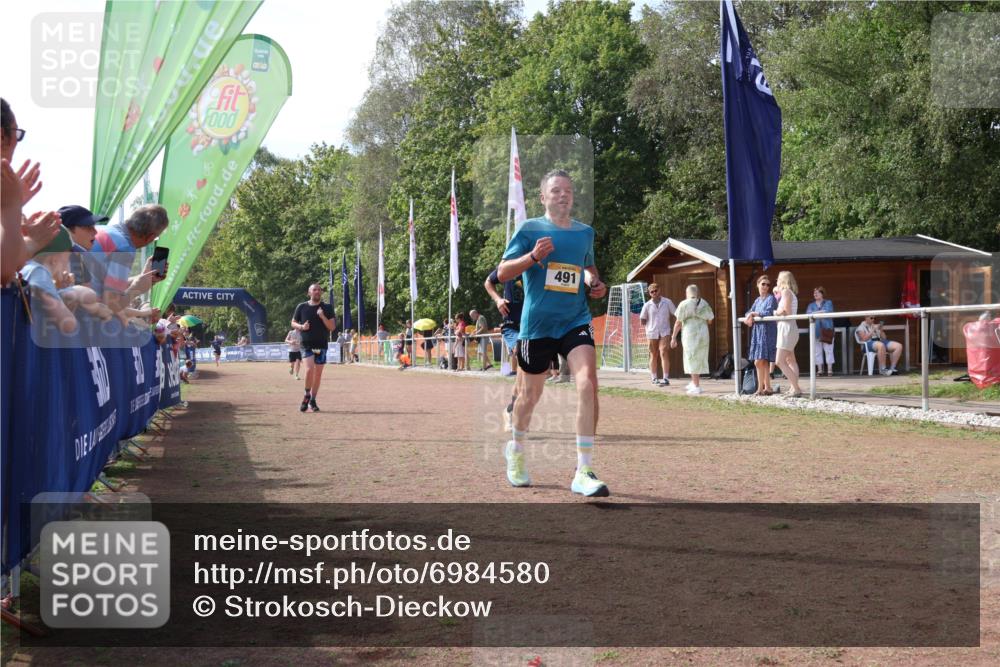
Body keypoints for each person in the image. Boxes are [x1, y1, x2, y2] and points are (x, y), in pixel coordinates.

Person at [497, 169, 608, 497]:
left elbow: (587, 268)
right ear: (543, 197)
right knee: (530, 396)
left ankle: (583, 470)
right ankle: (516, 449)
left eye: (569, 191)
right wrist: (532, 257)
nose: (563, 195)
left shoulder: (585, 233)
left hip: (575, 319)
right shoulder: (530, 229)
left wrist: (594, 283)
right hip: (537, 326)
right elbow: (503, 271)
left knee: (588, 383)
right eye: (556, 191)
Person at [89, 204, 170, 320]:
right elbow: (110, 307)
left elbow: (105, 284)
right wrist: (137, 289)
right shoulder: (124, 247)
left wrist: (142, 277)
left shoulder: (103, 230)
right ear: (150, 237)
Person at [485, 267, 525, 427]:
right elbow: (488, 282)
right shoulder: (509, 264)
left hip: (532, 322)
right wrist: (498, 300)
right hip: (512, 325)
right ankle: (515, 410)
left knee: (528, 373)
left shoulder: (539, 264)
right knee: (521, 351)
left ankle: (512, 409)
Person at [291, 283, 336, 412]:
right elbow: (293, 322)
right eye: (314, 290)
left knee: (318, 374)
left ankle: (313, 400)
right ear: (309, 293)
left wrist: (322, 316)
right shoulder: (302, 307)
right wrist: (301, 327)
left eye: (319, 290)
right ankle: (306, 395)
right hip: (307, 345)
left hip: (321, 345)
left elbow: (332, 327)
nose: (317, 291)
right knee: (309, 370)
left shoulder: (327, 307)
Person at [671, 284, 714, 395]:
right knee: (699, 357)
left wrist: (673, 337)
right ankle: (694, 382)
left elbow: (678, 322)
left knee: (691, 357)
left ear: (687, 293)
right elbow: (710, 321)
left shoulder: (684, 304)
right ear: (697, 292)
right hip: (703, 333)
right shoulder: (704, 303)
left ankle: (696, 385)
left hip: (690, 333)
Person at [744, 274, 778, 396]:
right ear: (758, 285)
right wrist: (750, 315)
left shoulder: (771, 298)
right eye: (763, 284)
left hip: (767, 331)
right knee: (761, 361)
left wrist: (754, 313)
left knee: (759, 361)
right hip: (757, 332)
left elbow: (768, 312)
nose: (765, 286)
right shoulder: (757, 300)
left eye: (768, 284)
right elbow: (749, 311)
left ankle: (760, 388)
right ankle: (767, 387)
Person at [639, 282, 676, 386]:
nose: (654, 293)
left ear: (659, 290)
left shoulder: (667, 302)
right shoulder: (647, 305)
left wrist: (679, 324)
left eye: (656, 290)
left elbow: (676, 313)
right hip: (651, 332)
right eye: (652, 292)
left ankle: (666, 378)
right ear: (649, 293)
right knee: (653, 354)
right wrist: (643, 320)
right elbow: (642, 318)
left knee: (664, 352)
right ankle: (654, 377)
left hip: (665, 331)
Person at [774, 271, 803, 396]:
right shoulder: (789, 293)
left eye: (778, 279)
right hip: (789, 328)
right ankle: (793, 387)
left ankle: (796, 388)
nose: (776, 281)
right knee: (791, 360)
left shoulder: (786, 292)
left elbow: (786, 311)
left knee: (779, 361)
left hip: (787, 329)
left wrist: (776, 312)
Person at [806, 286, 835, 376]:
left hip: (827, 329)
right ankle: (820, 370)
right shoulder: (811, 305)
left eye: (817, 292)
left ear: (822, 294)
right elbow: (808, 314)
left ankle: (830, 370)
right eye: (814, 293)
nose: (815, 294)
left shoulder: (828, 302)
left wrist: (815, 313)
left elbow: (828, 312)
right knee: (817, 351)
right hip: (815, 331)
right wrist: (821, 312)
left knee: (828, 350)